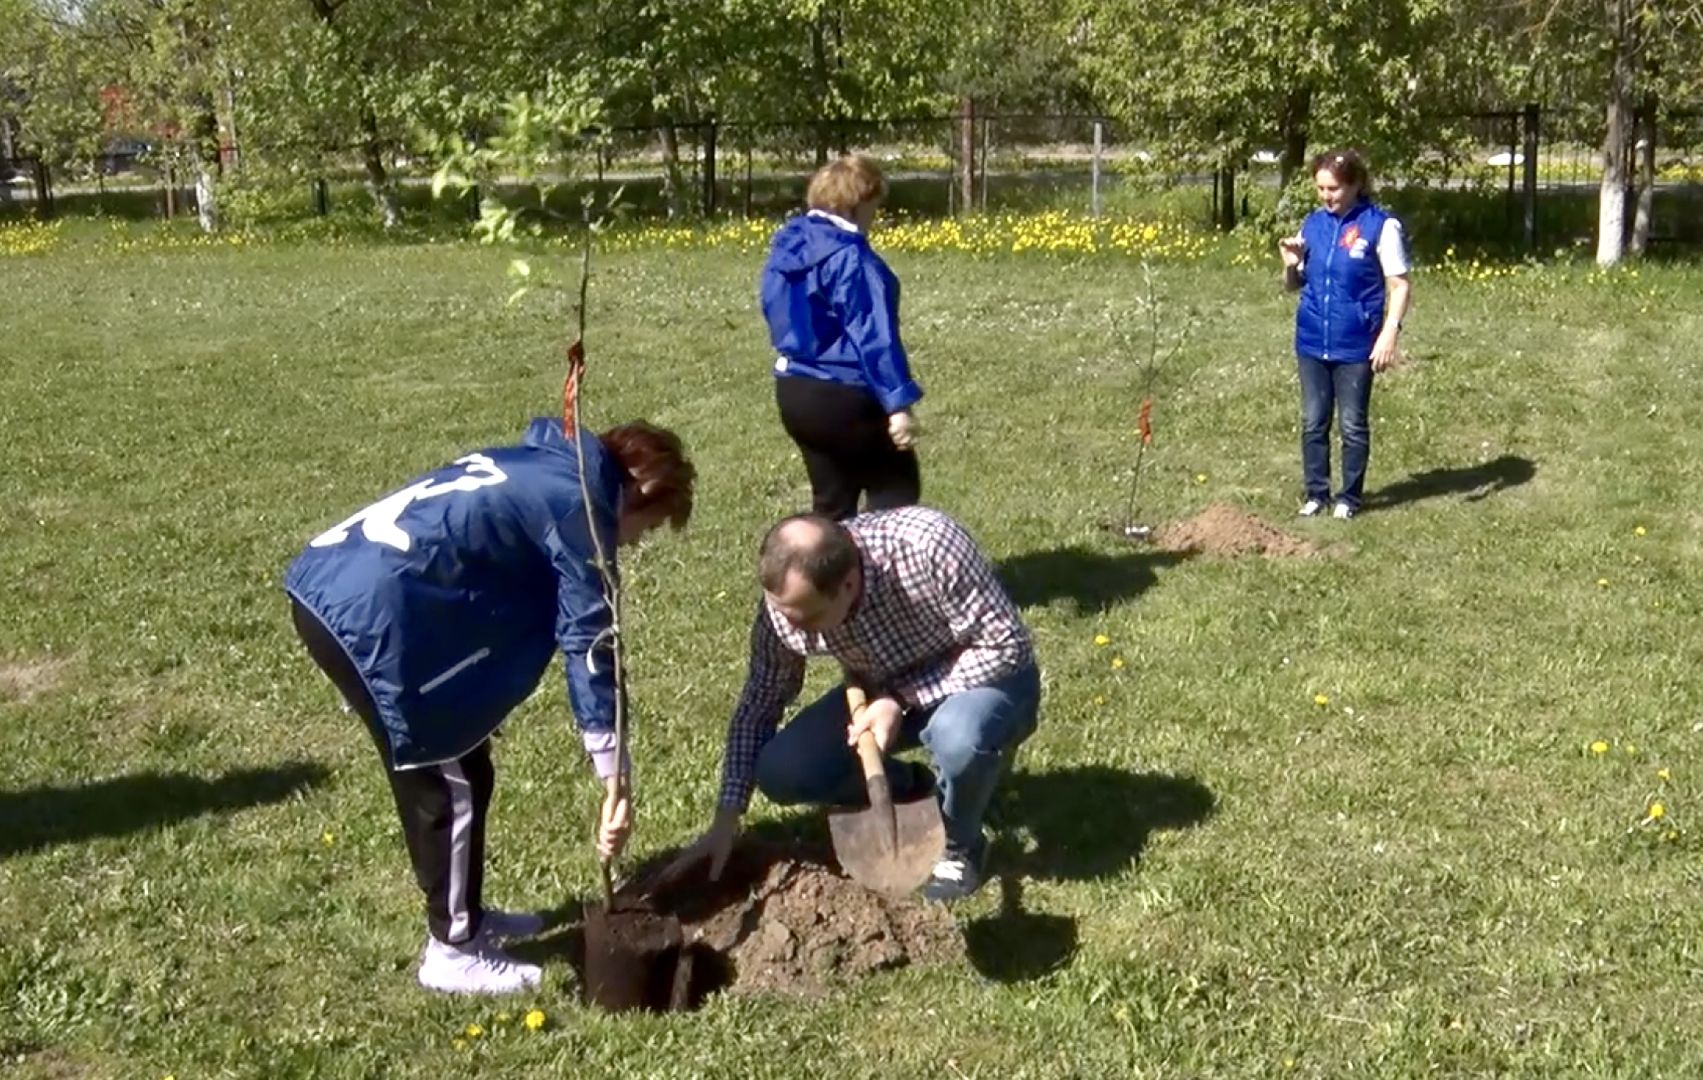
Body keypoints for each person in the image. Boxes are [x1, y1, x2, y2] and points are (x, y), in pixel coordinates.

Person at [283, 416, 694, 994]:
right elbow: (590, 638)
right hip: (368, 615)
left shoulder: (547, 465)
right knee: (446, 785)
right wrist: (612, 772)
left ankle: (466, 918)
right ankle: (451, 952)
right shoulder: (581, 506)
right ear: (640, 490)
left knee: (468, 765)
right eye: (643, 530)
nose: (632, 545)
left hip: (333, 582)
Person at [665, 507, 1039, 902]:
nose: (790, 628)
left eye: (807, 619)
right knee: (782, 769)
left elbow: (1006, 647)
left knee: (959, 738)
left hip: (982, 678)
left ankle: (960, 843)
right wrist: (727, 818)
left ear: (847, 584)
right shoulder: (787, 605)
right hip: (881, 691)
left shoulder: (928, 545)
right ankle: (911, 791)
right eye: (782, 613)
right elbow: (761, 699)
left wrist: (899, 700)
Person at [760, 154, 923, 520]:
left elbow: (772, 307)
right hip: (844, 393)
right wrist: (898, 405)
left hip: (795, 390)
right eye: (875, 206)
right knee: (896, 490)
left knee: (832, 504)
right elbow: (874, 335)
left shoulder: (786, 247)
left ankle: (823, 558)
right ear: (858, 203)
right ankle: (881, 558)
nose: (875, 217)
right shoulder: (851, 257)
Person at [1278, 148, 1413, 520]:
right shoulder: (1312, 224)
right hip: (1311, 340)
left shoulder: (1380, 226)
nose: (1326, 196)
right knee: (1313, 421)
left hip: (1356, 343)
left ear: (1355, 185)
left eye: (1334, 189)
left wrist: (1389, 333)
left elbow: (1399, 286)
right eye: (1320, 188)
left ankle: (1349, 498)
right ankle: (1316, 494)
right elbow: (1294, 284)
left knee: (1352, 424)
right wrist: (1289, 265)